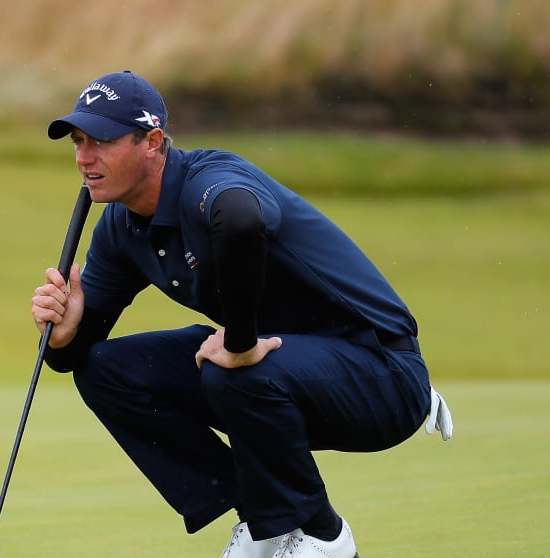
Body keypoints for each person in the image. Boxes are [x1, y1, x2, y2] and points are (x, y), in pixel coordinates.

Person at [29, 70, 453, 558]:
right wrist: (64, 336)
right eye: (78, 142)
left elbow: (240, 219)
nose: (84, 158)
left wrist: (239, 343)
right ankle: (262, 520)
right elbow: (75, 357)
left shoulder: (205, 180)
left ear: (152, 142)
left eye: (101, 141)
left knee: (232, 370)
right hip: (284, 377)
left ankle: (324, 536)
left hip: (383, 372)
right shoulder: (121, 228)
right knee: (106, 369)